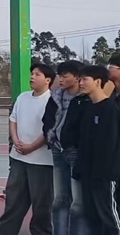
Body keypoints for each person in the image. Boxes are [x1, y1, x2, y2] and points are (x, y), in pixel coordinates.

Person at [0, 63, 55, 235]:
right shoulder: (22, 97)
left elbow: (50, 129)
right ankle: (5, 230)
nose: (32, 77)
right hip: (18, 157)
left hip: (42, 160)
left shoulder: (52, 100)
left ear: (48, 80)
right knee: (13, 197)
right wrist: (15, 140)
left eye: (37, 74)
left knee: (42, 202)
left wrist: (32, 146)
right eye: (32, 73)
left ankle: (41, 231)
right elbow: (13, 120)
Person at [70, 65, 120, 233]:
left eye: (85, 79)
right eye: (80, 79)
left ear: (98, 82)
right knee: (93, 216)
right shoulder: (88, 107)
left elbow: (110, 145)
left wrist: (105, 172)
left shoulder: (111, 109)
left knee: (109, 216)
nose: (80, 83)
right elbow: (84, 142)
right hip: (88, 174)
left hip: (105, 175)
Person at [41, 60, 86, 235]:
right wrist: (50, 136)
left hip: (76, 151)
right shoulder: (56, 96)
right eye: (59, 75)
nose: (60, 79)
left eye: (64, 76)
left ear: (77, 77)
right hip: (57, 149)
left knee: (78, 202)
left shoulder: (85, 98)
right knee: (59, 199)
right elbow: (47, 119)